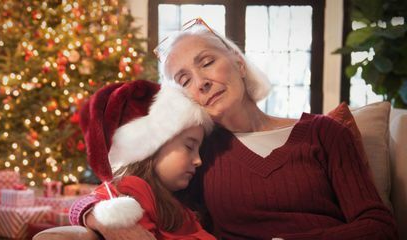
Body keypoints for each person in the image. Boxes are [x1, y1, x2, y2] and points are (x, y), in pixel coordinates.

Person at [81, 18, 398, 239]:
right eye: (184, 80)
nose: (201, 82)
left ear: (239, 63)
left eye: (206, 62)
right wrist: (92, 214)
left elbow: (379, 226)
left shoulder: (325, 132)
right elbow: (125, 187)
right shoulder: (199, 154)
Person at [69, 80, 216, 239]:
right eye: (189, 147)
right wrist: (90, 212)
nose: (198, 160)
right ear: (152, 147)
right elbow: (95, 200)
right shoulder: (134, 188)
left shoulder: (177, 204)